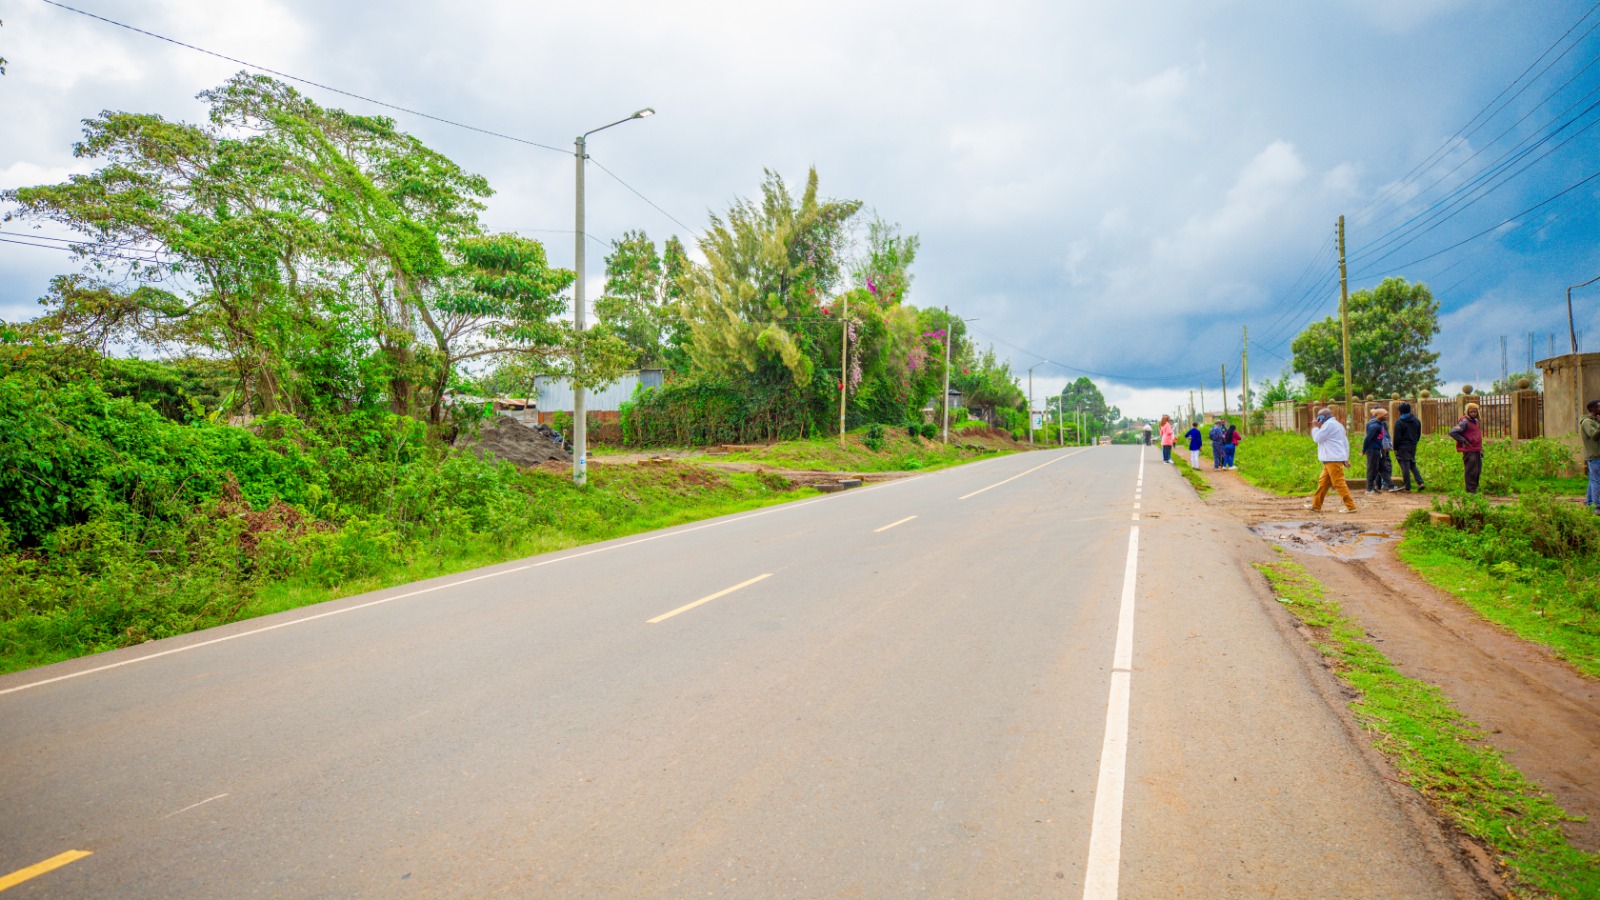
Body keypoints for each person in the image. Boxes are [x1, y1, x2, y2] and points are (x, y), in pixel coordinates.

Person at [1305, 407, 1357, 514]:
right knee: (1323, 483)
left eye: (1319, 417)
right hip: (1331, 459)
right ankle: (1316, 505)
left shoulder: (1328, 425)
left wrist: (1315, 427)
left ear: (1322, 417)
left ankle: (1351, 506)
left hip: (1332, 459)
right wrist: (1345, 458)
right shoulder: (1338, 425)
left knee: (1339, 483)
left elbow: (1317, 438)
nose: (1317, 419)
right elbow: (1345, 443)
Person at [1448, 402, 1484, 494]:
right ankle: (1470, 491)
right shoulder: (1465, 422)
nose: (1473, 413)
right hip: (1469, 450)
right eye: (1471, 412)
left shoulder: (1473, 422)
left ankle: (1474, 490)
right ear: (1467, 412)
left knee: (1477, 470)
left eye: (1475, 412)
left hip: (1476, 449)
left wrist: (1480, 450)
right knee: (1471, 471)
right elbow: (1453, 432)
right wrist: (1463, 441)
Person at [1392, 402, 1425, 492]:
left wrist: (1395, 448)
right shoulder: (1417, 421)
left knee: (1405, 466)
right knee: (1412, 464)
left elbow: (1397, 437)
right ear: (1409, 410)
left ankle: (1407, 487)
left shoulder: (1399, 422)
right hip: (1412, 446)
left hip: (1402, 447)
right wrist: (1414, 442)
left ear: (1400, 411)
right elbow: (1418, 434)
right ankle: (1420, 482)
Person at [1361, 407, 1394, 492]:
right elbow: (1368, 438)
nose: (1387, 416)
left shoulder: (1380, 424)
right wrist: (1364, 450)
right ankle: (1369, 488)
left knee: (1383, 468)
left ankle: (1391, 486)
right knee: (1372, 469)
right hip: (1373, 449)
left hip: (1379, 449)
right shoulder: (1374, 426)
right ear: (1380, 415)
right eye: (1385, 415)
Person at [1582, 400, 1600, 513]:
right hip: (1594, 456)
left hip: (1597, 455)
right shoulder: (1587, 422)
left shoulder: (1594, 421)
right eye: (1599, 407)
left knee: (1593, 480)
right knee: (1596, 481)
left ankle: (1589, 503)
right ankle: (1597, 506)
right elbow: (1593, 435)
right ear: (1592, 409)